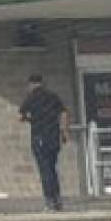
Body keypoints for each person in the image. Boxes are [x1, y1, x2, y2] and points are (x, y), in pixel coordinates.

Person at [19, 74, 69, 212]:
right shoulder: (52, 96)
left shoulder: (31, 97)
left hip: (39, 137)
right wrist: (64, 131)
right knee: (52, 169)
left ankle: (49, 202)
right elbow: (63, 112)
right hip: (54, 137)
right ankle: (58, 200)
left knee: (44, 169)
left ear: (31, 84)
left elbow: (20, 115)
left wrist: (31, 119)